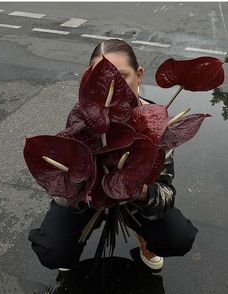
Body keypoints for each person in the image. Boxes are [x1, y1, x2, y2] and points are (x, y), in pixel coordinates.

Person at [28, 39, 198, 284]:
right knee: (53, 250)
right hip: (90, 202)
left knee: (178, 237)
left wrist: (142, 193)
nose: (113, 86)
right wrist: (80, 190)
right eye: (101, 78)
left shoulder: (155, 122)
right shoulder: (83, 117)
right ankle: (68, 249)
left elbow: (166, 192)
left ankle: (145, 238)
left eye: (122, 77)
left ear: (139, 75)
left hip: (134, 202)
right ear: (88, 78)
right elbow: (61, 181)